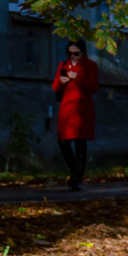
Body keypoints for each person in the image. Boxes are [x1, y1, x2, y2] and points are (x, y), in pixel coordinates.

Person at [52, 40, 99, 190]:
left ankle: (76, 179)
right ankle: (75, 172)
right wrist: (61, 81)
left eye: (76, 53)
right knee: (63, 142)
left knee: (80, 143)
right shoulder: (63, 65)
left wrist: (77, 77)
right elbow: (55, 87)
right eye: (70, 53)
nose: (72, 56)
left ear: (83, 53)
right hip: (67, 109)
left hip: (83, 108)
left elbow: (92, 87)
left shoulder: (91, 66)